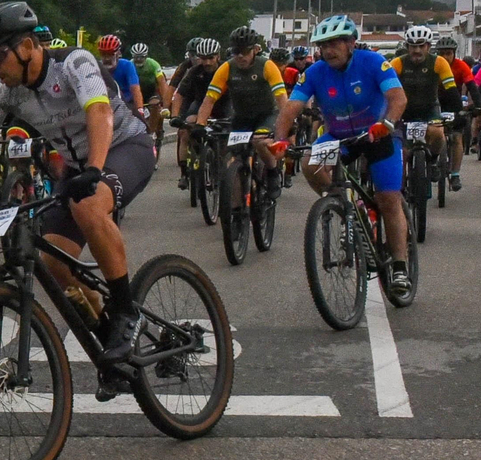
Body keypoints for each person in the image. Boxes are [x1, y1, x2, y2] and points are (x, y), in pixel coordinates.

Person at [0, 3, 155, 398]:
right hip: (76, 165)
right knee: (53, 263)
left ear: (28, 46)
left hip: (123, 146)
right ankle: (110, 346)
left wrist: (95, 170)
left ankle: (125, 311)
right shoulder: (2, 92)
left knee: (88, 205)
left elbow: (99, 113)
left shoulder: (74, 64)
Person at [272, 15, 412, 294]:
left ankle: (399, 266)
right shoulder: (314, 72)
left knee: (388, 199)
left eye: (335, 43)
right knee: (310, 163)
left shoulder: (372, 62)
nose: (328, 50)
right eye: (323, 45)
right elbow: (291, 107)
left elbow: (398, 98)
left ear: (351, 43)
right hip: (338, 137)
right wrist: (279, 140)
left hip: (376, 134)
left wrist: (386, 124)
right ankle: (342, 202)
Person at [195, 27, 289, 194]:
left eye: (245, 51)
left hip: (266, 115)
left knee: (260, 142)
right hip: (241, 117)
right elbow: (209, 99)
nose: (240, 56)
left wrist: (289, 122)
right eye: (236, 51)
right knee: (231, 158)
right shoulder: (226, 68)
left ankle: (273, 171)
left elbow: (281, 98)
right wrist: (200, 124)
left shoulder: (267, 66)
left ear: (255, 50)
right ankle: (237, 209)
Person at [389, 26, 463, 187]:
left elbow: (451, 90)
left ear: (428, 46)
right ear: (407, 47)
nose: (417, 50)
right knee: (402, 154)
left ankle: (434, 160)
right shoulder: (397, 63)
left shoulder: (439, 62)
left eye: (421, 46)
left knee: (437, 133)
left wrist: (459, 112)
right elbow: (386, 91)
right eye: (412, 46)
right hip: (404, 112)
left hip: (430, 108)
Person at [170, 37, 221, 190]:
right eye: (203, 58)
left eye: (211, 58)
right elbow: (179, 94)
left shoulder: (226, 69)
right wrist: (175, 116)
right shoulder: (193, 71)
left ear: (218, 56)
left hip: (222, 105)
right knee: (185, 131)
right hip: (199, 104)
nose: (207, 63)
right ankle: (185, 173)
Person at [433, 33, 478, 191]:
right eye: (442, 53)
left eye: (449, 53)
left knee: (457, 138)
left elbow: (472, 86)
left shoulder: (461, 66)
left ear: (454, 53)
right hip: (436, 102)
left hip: (454, 102)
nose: (445, 57)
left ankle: (455, 174)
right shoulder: (433, 64)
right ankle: (432, 160)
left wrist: (477, 105)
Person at [129, 42, 170, 160]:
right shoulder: (130, 65)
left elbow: (162, 83)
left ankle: (152, 132)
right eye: (136, 57)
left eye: (141, 57)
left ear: (146, 56)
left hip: (152, 91)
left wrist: (166, 102)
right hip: (138, 91)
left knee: (154, 105)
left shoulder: (153, 64)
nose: (139, 59)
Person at [96, 34, 145, 114]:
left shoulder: (127, 65)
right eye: (103, 54)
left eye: (110, 54)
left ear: (118, 53)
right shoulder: (97, 67)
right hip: (105, 104)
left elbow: (135, 89)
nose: (107, 58)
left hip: (126, 103)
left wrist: (140, 109)